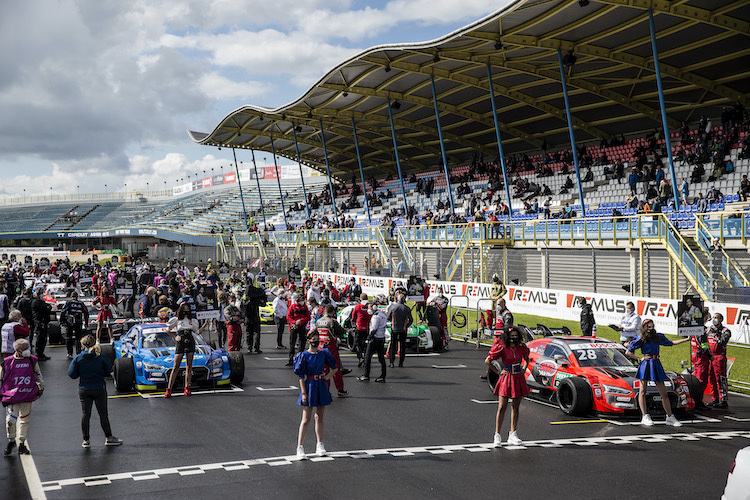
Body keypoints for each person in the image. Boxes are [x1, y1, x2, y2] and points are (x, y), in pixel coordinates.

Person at [624, 319, 689, 427]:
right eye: (649, 326)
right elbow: (628, 352)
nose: (651, 327)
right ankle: (645, 416)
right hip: (646, 364)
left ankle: (669, 416)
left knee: (663, 393)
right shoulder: (641, 338)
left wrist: (686, 340)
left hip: (656, 364)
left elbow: (671, 343)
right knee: (642, 391)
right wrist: (639, 359)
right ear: (645, 327)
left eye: (652, 325)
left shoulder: (657, 337)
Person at [67, 335, 122, 448]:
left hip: (84, 389)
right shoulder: (101, 356)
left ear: (83, 345)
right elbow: (108, 371)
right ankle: (109, 438)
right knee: (103, 414)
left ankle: (86, 440)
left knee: (85, 415)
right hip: (99, 388)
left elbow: (71, 374)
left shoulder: (78, 358)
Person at [293, 330, 338, 459]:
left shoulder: (323, 354)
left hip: (321, 386)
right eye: (313, 339)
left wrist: (326, 378)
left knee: (319, 417)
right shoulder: (304, 356)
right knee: (306, 419)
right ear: (308, 340)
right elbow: (301, 376)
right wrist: (303, 393)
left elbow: (335, 367)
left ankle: (320, 444)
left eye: (317, 339)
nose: (316, 341)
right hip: (310, 385)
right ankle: (300, 447)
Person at [485, 326, 529, 448]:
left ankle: (513, 434)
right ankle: (497, 435)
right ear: (507, 337)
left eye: (515, 336)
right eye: (511, 336)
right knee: (502, 407)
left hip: (518, 378)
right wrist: (498, 372)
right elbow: (488, 361)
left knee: (515, 406)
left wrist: (523, 369)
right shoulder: (502, 348)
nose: (513, 338)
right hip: (506, 378)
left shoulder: (522, 348)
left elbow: (526, 359)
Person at [2, 338, 43, 455]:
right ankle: (11, 440)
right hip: (12, 396)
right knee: (10, 420)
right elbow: (1, 378)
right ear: (17, 350)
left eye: (28, 348)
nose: (28, 351)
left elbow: (39, 375)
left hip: (27, 395)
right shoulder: (7, 362)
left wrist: (41, 388)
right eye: (25, 349)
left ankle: (21, 443)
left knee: (24, 420)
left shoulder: (32, 360)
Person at [164, 303, 206, 398]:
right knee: (176, 366)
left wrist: (205, 324)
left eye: (188, 309)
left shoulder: (193, 320)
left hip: (190, 340)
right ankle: (169, 389)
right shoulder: (177, 319)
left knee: (189, 365)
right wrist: (175, 337)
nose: (186, 312)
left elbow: (198, 332)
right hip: (181, 340)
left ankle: (187, 387)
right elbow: (167, 329)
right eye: (184, 309)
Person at [312, 305, 348, 398]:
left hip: (320, 348)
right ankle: (340, 390)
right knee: (336, 369)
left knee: (324, 370)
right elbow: (341, 332)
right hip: (331, 348)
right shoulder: (332, 321)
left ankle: (325, 391)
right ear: (332, 312)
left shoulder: (318, 321)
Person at [707, 312, 731, 409]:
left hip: (719, 357)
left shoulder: (726, 331)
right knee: (711, 378)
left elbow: (722, 342)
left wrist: (716, 333)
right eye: (713, 317)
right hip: (710, 356)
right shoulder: (709, 330)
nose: (714, 319)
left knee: (721, 379)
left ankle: (723, 399)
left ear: (721, 320)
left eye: (716, 318)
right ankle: (714, 398)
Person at [358, 300, 387, 383]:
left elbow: (373, 329)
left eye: (369, 307)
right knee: (381, 358)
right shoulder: (382, 314)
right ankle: (383, 376)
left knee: (367, 357)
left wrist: (368, 338)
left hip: (374, 339)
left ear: (374, 307)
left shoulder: (375, 317)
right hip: (381, 338)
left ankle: (366, 375)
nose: (368, 309)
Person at [690, 307, 711, 410]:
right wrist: (709, 354)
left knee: (698, 378)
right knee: (701, 379)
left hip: (694, 353)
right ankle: (697, 402)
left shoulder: (695, 325)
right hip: (700, 355)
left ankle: (697, 401)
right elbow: (703, 343)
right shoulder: (700, 327)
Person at [386, 293, 413, 368]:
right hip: (403, 329)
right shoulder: (407, 308)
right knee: (402, 346)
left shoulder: (393, 307)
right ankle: (401, 363)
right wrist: (406, 326)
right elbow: (411, 320)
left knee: (393, 346)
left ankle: (392, 362)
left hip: (394, 329)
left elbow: (388, 317)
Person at [60, 292, 89, 358]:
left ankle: (69, 353)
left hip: (70, 322)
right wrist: (86, 322)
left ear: (71, 296)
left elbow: (63, 311)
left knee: (69, 338)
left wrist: (62, 321)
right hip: (78, 322)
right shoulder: (81, 303)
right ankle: (78, 352)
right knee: (78, 338)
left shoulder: (68, 302)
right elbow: (86, 312)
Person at [286, 293, 311, 367]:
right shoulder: (293, 306)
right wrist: (295, 322)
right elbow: (288, 317)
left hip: (302, 326)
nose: (303, 301)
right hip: (294, 326)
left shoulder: (305, 307)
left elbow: (308, 317)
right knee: (292, 343)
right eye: (301, 299)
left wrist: (301, 321)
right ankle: (290, 359)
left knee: (302, 343)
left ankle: (300, 359)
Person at [243, 280, 267, 354]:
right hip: (254, 317)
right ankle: (256, 348)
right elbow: (263, 303)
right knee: (256, 333)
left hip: (248, 318)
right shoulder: (255, 301)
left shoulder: (245, 301)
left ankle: (249, 347)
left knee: (249, 333)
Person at [351, 293, 371, 367]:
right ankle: (366, 358)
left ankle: (360, 358)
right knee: (367, 344)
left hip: (359, 327)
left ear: (361, 298)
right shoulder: (369, 306)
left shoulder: (358, 306)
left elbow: (353, 316)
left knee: (358, 343)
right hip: (368, 327)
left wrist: (354, 322)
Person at [30, 289, 51, 360]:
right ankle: (39, 354)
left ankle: (41, 353)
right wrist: (48, 308)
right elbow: (45, 309)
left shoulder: (40, 302)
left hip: (43, 322)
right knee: (40, 338)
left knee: (43, 338)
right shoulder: (36, 302)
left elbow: (47, 307)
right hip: (40, 322)